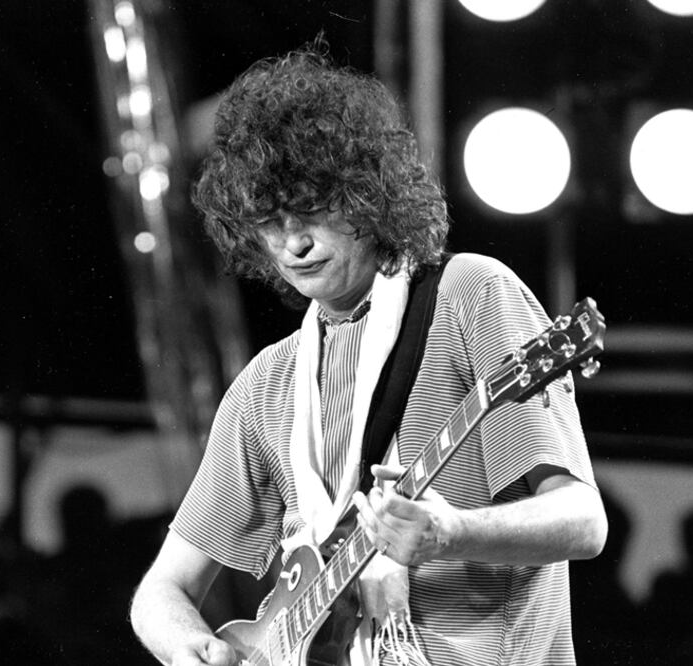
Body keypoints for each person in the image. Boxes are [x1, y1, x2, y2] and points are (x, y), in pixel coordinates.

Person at [130, 42, 608, 666]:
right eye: (269, 223)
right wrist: (191, 649)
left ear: (365, 193)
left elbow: (583, 521)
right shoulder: (263, 387)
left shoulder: (469, 294)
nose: (294, 243)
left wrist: (451, 533)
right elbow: (160, 593)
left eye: (310, 208)